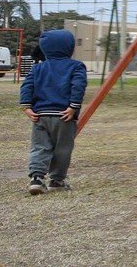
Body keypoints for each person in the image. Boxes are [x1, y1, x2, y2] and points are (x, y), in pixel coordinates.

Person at [20, 29, 88, 194]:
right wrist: (73, 106)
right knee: (62, 149)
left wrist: (27, 107)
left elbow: (27, 86)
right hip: (64, 115)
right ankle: (57, 180)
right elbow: (78, 86)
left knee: (39, 147)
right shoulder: (76, 66)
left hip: (40, 116)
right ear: (70, 48)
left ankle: (36, 178)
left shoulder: (38, 68)